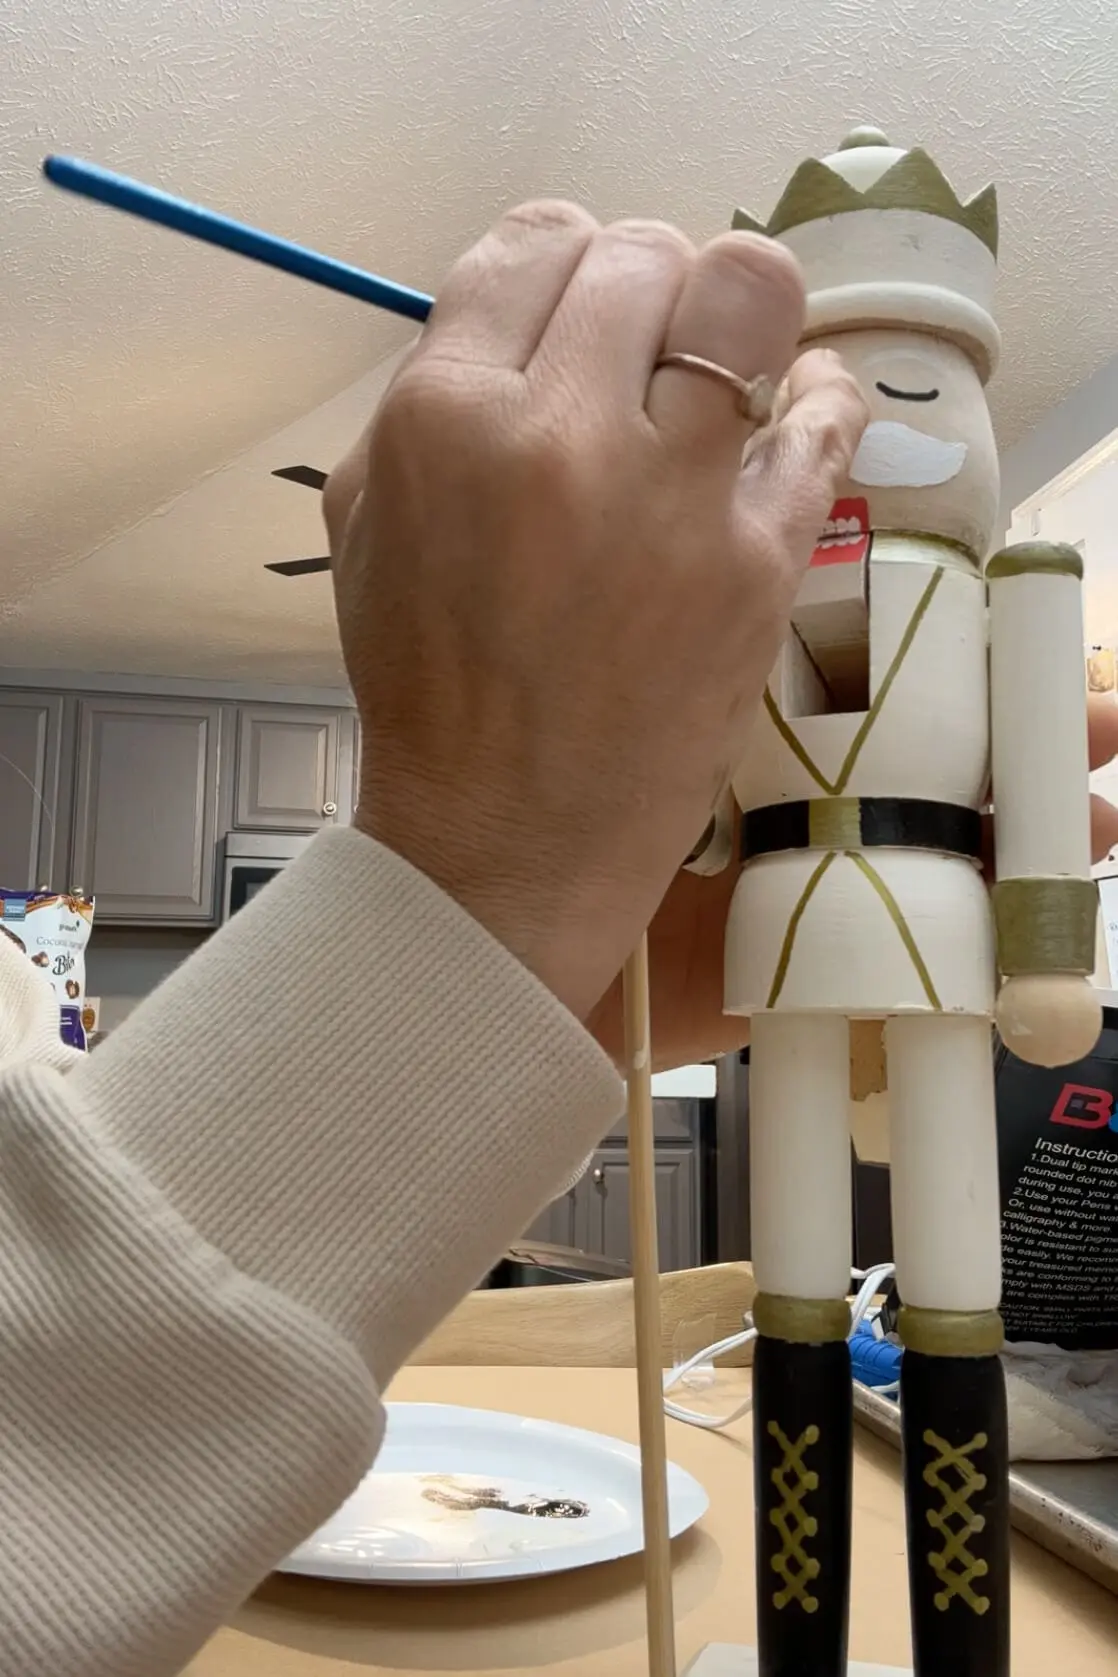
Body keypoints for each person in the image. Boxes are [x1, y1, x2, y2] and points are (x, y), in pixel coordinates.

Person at [1, 202, 1115, 1677]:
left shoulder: (1009, 593)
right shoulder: (784, 595)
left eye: (924, 382)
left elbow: (1036, 779)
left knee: (951, 1309)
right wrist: (487, 895)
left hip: (884, 931)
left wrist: (1042, 942)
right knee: (796, 1298)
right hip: (790, 924)